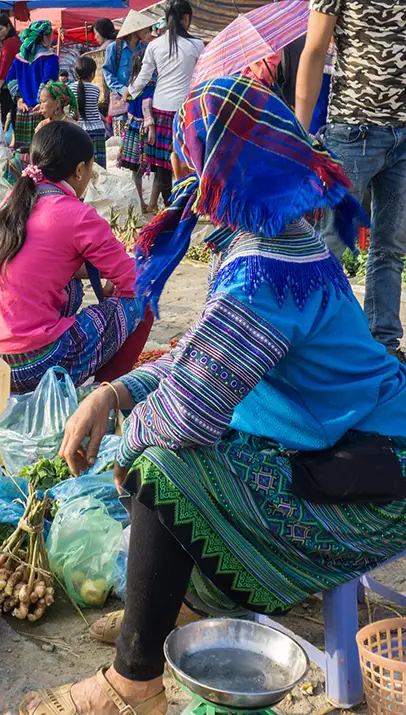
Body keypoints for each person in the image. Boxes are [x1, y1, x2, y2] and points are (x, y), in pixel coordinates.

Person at [21, 75, 406, 715]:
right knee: (178, 439)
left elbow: (186, 414)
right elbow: (198, 359)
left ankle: (134, 683)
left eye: (189, 155)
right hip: (341, 438)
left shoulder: (265, 273)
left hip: (374, 475)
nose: (181, 170)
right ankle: (177, 606)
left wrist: (126, 447)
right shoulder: (276, 238)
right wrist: (114, 394)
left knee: (163, 464)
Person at [0, 122, 152, 394]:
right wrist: (121, 283)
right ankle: (106, 396)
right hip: (29, 364)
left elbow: (47, 263)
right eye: (90, 169)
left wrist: (109, 276)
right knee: (146, 294)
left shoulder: (14, 199)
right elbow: (135, 279)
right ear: (79, 170)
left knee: (70, 283)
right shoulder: (76, 214)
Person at [296, 1, 406, 363]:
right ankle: (313, 343)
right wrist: (299, 132)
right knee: (330, 243)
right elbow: (314, 50)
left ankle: (384, 346)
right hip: (352, 130)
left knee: (390, 247)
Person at [127, 0, 203, 208]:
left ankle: (170, 204)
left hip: (161, 107)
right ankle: (189, 201)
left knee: (163, 162)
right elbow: (203, 76)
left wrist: (129, 92)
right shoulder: (197, 45)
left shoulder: (154, 45)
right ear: (186, 18)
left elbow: (143, 77)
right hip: (187, 108)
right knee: (189, 156)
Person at [5, 19, 59, 148]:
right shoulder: (50, 59)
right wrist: (41, 102)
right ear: (45, 38)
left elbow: (10, 79)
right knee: (42, 152)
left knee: (23, 154)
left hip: (22, 112)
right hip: (42, 113)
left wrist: (19, 99)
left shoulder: (19, 59)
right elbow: (48, 82)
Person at [118, 49, 156, 211]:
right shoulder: (151, 87)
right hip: (147, 129)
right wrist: (151, 127)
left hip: (132, 127)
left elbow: (128, 105)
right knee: (155, 166)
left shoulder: (132, 86)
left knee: (137, 169)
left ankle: (141, 201)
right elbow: (147, 106)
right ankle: (149, 203)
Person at [102, 11, 151, 137]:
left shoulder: (146, 48)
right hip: (121, 106)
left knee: (139, 146)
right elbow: (108, 74)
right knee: (120, 144)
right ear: (135, 30)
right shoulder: (114, 48)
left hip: (141, 106)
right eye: (144, 28)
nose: (148, 31)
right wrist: (124, 90)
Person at [69, 54, 108, 169]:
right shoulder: (96, 90)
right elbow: (93, 109)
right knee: (98, 166)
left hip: (78, 129)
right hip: (97, 130)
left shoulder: (70, 89)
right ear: (92, 74)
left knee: (80, 164)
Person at [0, 14, 20, 130]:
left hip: (8, 87)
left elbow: (4, 68)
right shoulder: (18, 41)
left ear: (8, 26)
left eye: (0, 29)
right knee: (15, 117)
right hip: (19, 87)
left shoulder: (9, 43)